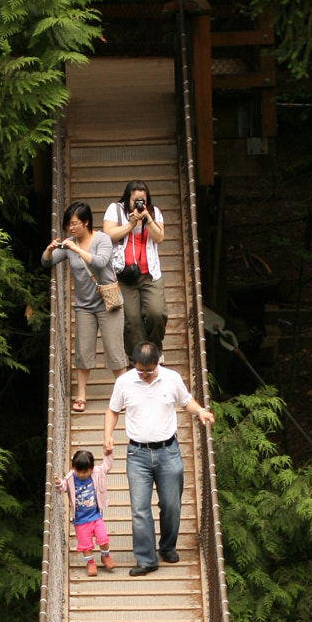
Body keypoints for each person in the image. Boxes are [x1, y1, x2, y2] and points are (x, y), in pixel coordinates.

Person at [103, 342, 215, 576]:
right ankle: (146, 559)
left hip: (168, 451)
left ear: (158, 363)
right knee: (139, 508)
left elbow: (186, 402)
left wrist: (201, 411)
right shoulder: (124, 382)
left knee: (171, 504)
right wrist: (108, 436)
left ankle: (167, 546)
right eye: (140, 370)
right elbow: (113, 410)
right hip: (137, 454)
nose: (144, 375)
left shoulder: (171, 378)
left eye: (149, 370)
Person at [43, 201, 127, 413]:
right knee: (83, 350)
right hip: (84, 306)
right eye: (68, 224)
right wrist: (49, 249)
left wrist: (77, 250)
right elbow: (47, 262)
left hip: (109, 304)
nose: (71, 229)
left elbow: (100, 262)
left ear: (86, 222)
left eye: (74, 224)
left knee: (115, 350)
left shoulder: (102, 239)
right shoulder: (70, 243)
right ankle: (81, 395)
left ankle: (124, 395)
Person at [103, 180, 168, 362]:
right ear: (127, 199)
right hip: (124, 275)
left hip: (151, 274)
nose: (139, 204)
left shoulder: (154, 213)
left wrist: (147, 219)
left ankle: (154, 351)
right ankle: (138, 358)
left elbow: (159, 238)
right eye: (135, 201)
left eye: (142, 200)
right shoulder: (115, 210)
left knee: (157, 313)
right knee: (131, 319)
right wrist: (131, 224)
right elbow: (108, 235)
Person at [55, 449, 114, 575]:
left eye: (85, 472)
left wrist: (108, 453)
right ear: (73, 468)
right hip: (81, 520)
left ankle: (105, 556)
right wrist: (59, 483)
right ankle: (90, 563)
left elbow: (107, 467)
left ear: (91, 468)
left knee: (103, 539)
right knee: (86, 545)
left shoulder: (96, 473)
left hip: (96, 516)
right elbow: (63, 488)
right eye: (79, 471)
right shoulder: (71, 478)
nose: (82, 475)